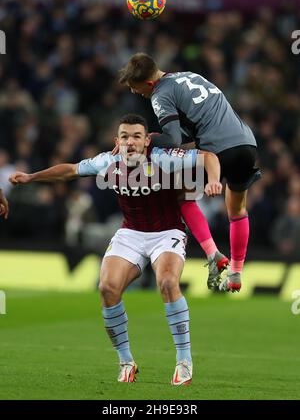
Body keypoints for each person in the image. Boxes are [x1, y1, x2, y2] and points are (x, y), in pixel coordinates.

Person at [10, 113, 222, 385]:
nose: (130, 142)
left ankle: (184, 361)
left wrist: (214, 179)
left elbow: (208, 157)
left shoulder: (164, 157)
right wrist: (31, 177)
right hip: (131, 232)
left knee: (168, 282)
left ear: (147, 140)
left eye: (136, 136)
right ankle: (126, 361)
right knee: (107, 288)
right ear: (116, 141)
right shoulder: (107, 161)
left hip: (167, 231)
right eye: (125, 137)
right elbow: (71, 170)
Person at [119, 54, 262, 292]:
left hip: (217, 151)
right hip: (247, 145)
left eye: (136, 88)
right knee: (237, 208)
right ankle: (236, 272)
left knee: (181, 196)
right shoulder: (188, 76)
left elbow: (173, 140)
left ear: (149, 83)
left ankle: (213, 254)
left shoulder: (160, 94)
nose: (135, 93)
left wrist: (147, 139)